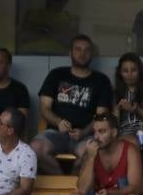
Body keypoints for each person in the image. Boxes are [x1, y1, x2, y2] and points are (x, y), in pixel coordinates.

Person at [32, 34, 113, 174]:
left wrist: (85, 131)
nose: (82, 53)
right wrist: (58, 122)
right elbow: (44, 108)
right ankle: (61, 182)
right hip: (56, 132)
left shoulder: (101, 81)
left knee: (92, 153)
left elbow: (101, 116)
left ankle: (74, 187)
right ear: (70, 53)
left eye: (87, 50)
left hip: (87, 135)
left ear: (92, 54)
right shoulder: (57, 74)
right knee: (34, 148)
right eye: (78, 49)